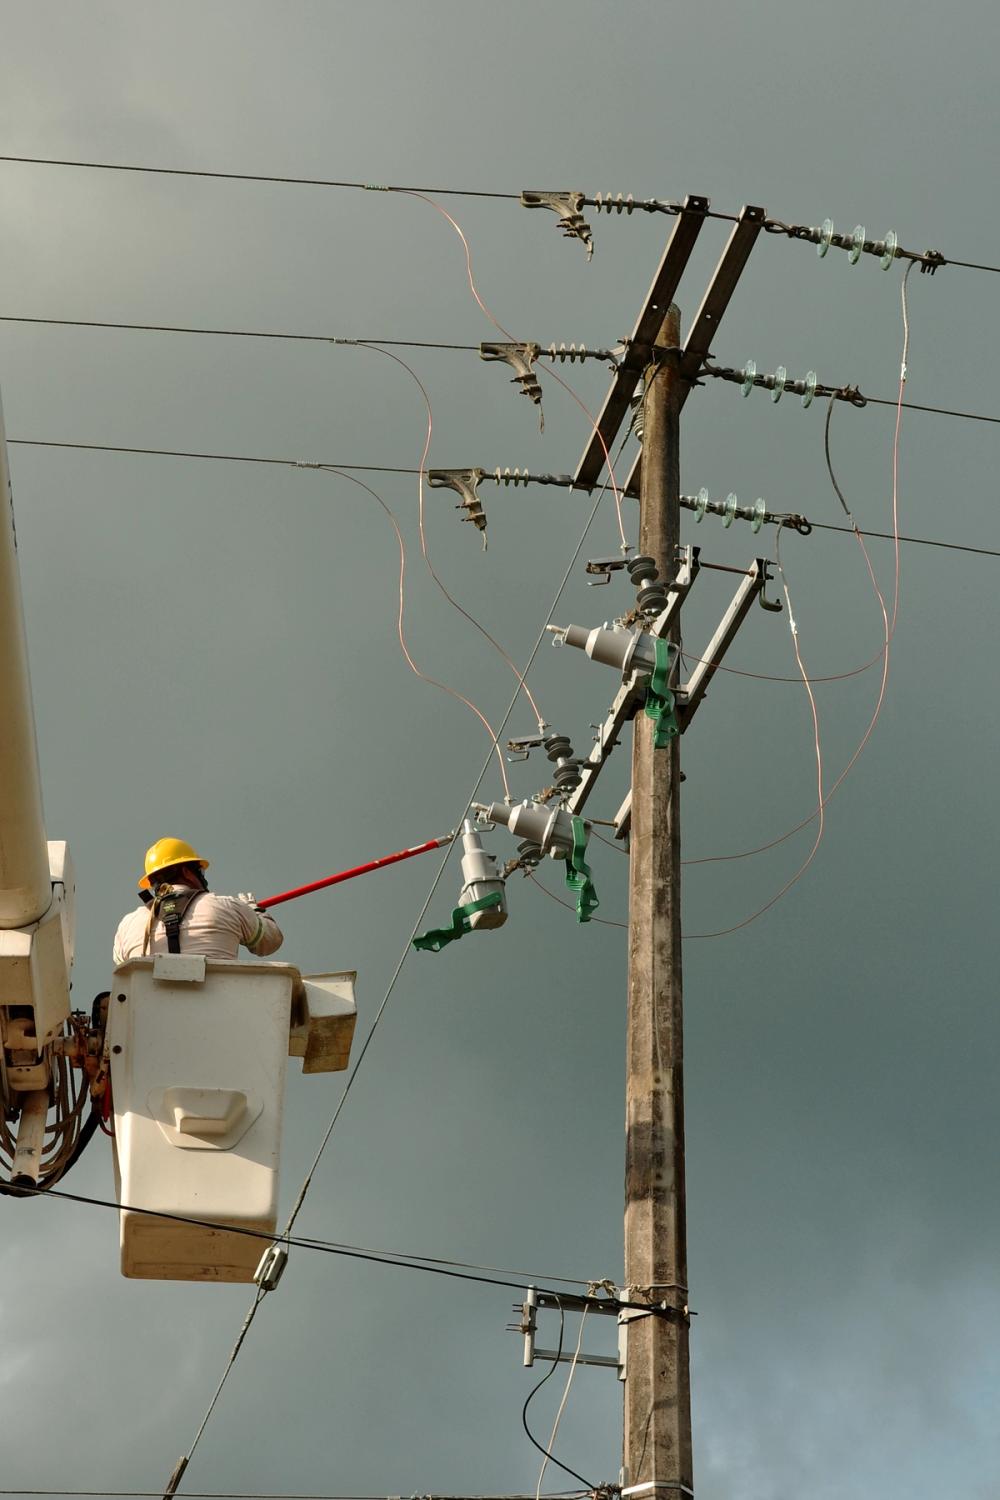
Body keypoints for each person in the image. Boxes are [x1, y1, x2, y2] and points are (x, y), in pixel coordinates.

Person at [113, 837, 283, 966]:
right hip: (221, 1010)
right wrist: (254, 910)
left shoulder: (128, 925)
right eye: (199, 870)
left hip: (149, 1011)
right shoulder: (228, 907)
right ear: (187, 872)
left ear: (151, 883)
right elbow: (270, 942)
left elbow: (123, 968)